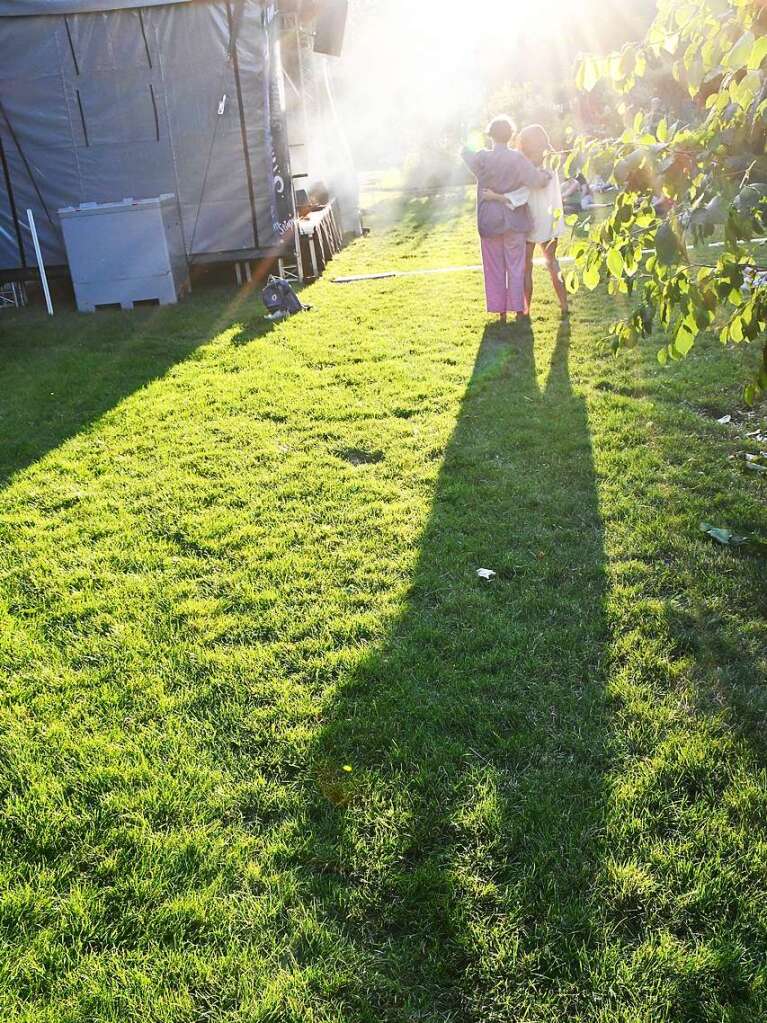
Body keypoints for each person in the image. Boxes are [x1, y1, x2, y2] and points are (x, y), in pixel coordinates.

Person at [461, 116, 550, 324]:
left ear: (490, 135)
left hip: (489, 220)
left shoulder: (481, 158)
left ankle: (500, 311)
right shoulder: (518, 159)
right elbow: (537, 181)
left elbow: (464, 152)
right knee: (516, 266)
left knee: (494, 267)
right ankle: (519, 309)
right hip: (515, 219)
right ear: (511, 135)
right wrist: (545, 175)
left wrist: (470, 136)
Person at [518, 124, 568, 315]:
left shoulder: (524, 164)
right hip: (548, 216)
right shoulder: (552, 161)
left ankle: (525, 309)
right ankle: (564, 305)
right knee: (552, 262)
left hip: (529, 217)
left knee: (526, 266)